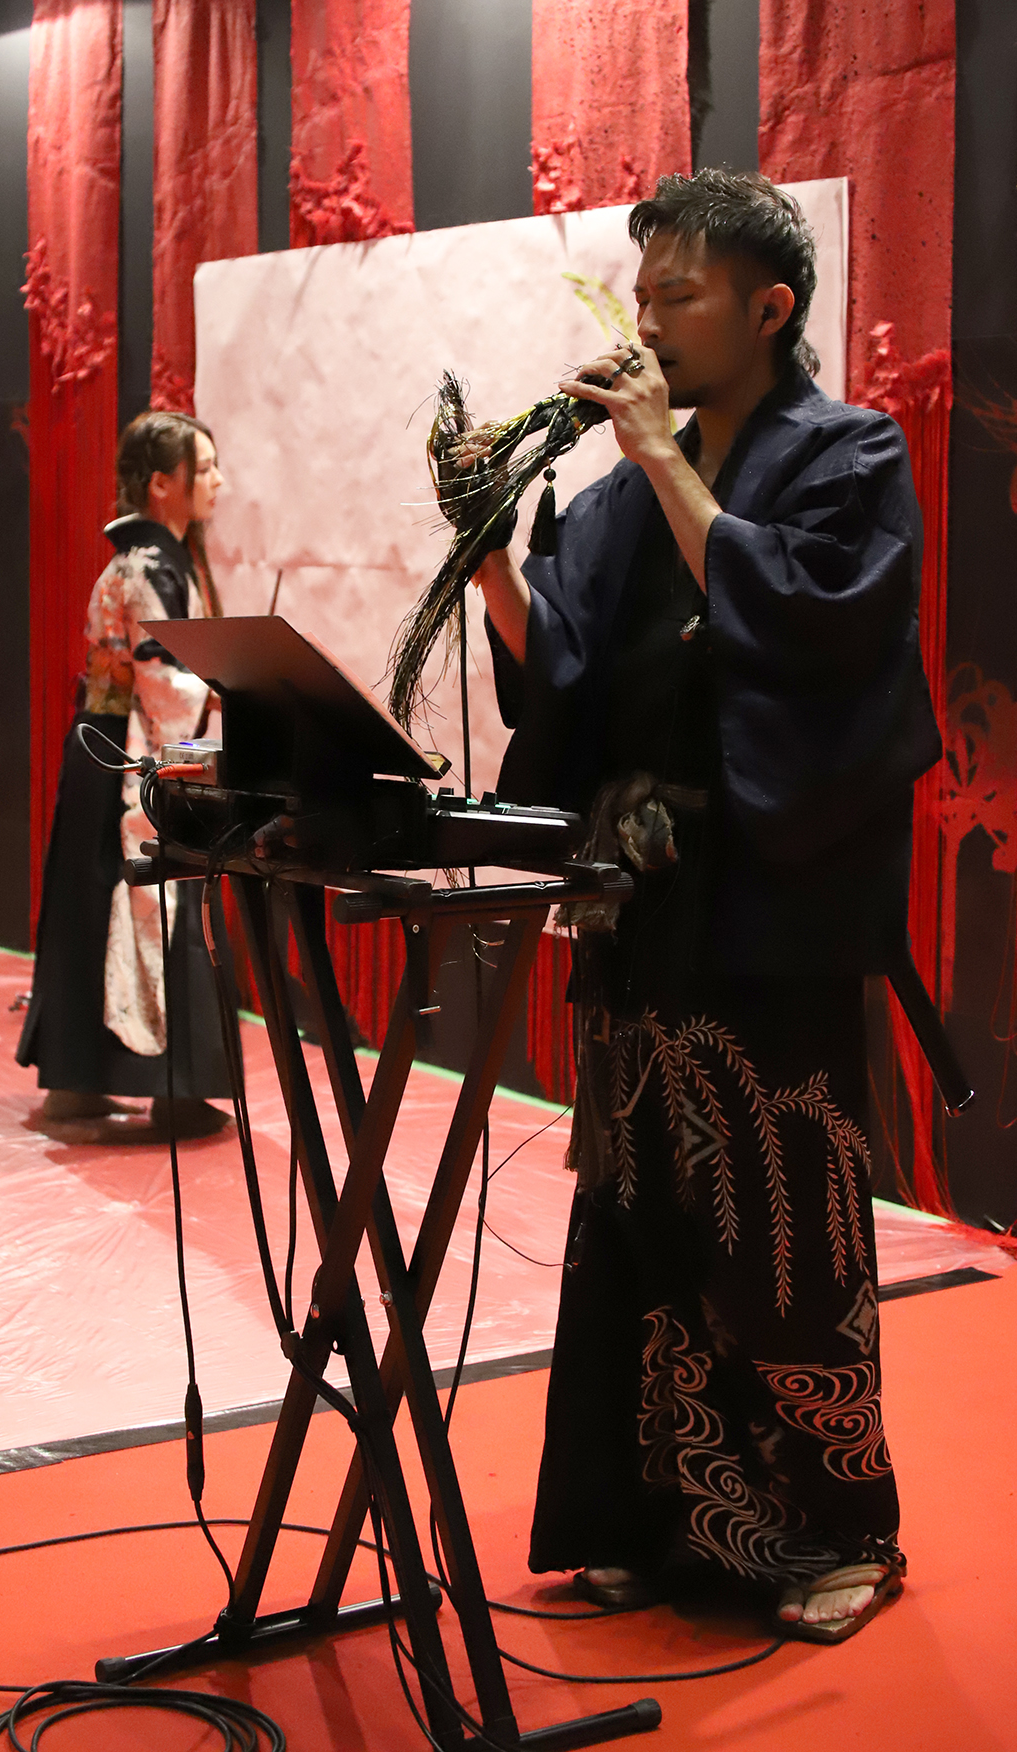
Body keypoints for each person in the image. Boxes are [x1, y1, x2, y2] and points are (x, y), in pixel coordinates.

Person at [477, 170, 941, 1643]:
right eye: (642, 294)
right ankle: (650, 1523)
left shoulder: (848, 454)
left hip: (769, 909)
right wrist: (487, 555)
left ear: (769, 306)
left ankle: (830, 1533)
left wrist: (667, 463)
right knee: (638, 1214)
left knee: (779, 1226)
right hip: (641, 910)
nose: (650, 321)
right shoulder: (623, 493)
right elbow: (562, 675)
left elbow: (812, 631)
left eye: (677, 294)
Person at [17, 411, 241, 1139]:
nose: (216, 481)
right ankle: (170, 1089)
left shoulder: (143, 562)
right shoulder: (150, 567)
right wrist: (231, 686)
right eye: (202, 469)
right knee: (147, 898)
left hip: (106, 744)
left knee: (97, 905)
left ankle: (79, 1082)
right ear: (161, 486)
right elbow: (160, 677)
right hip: (132, 753)